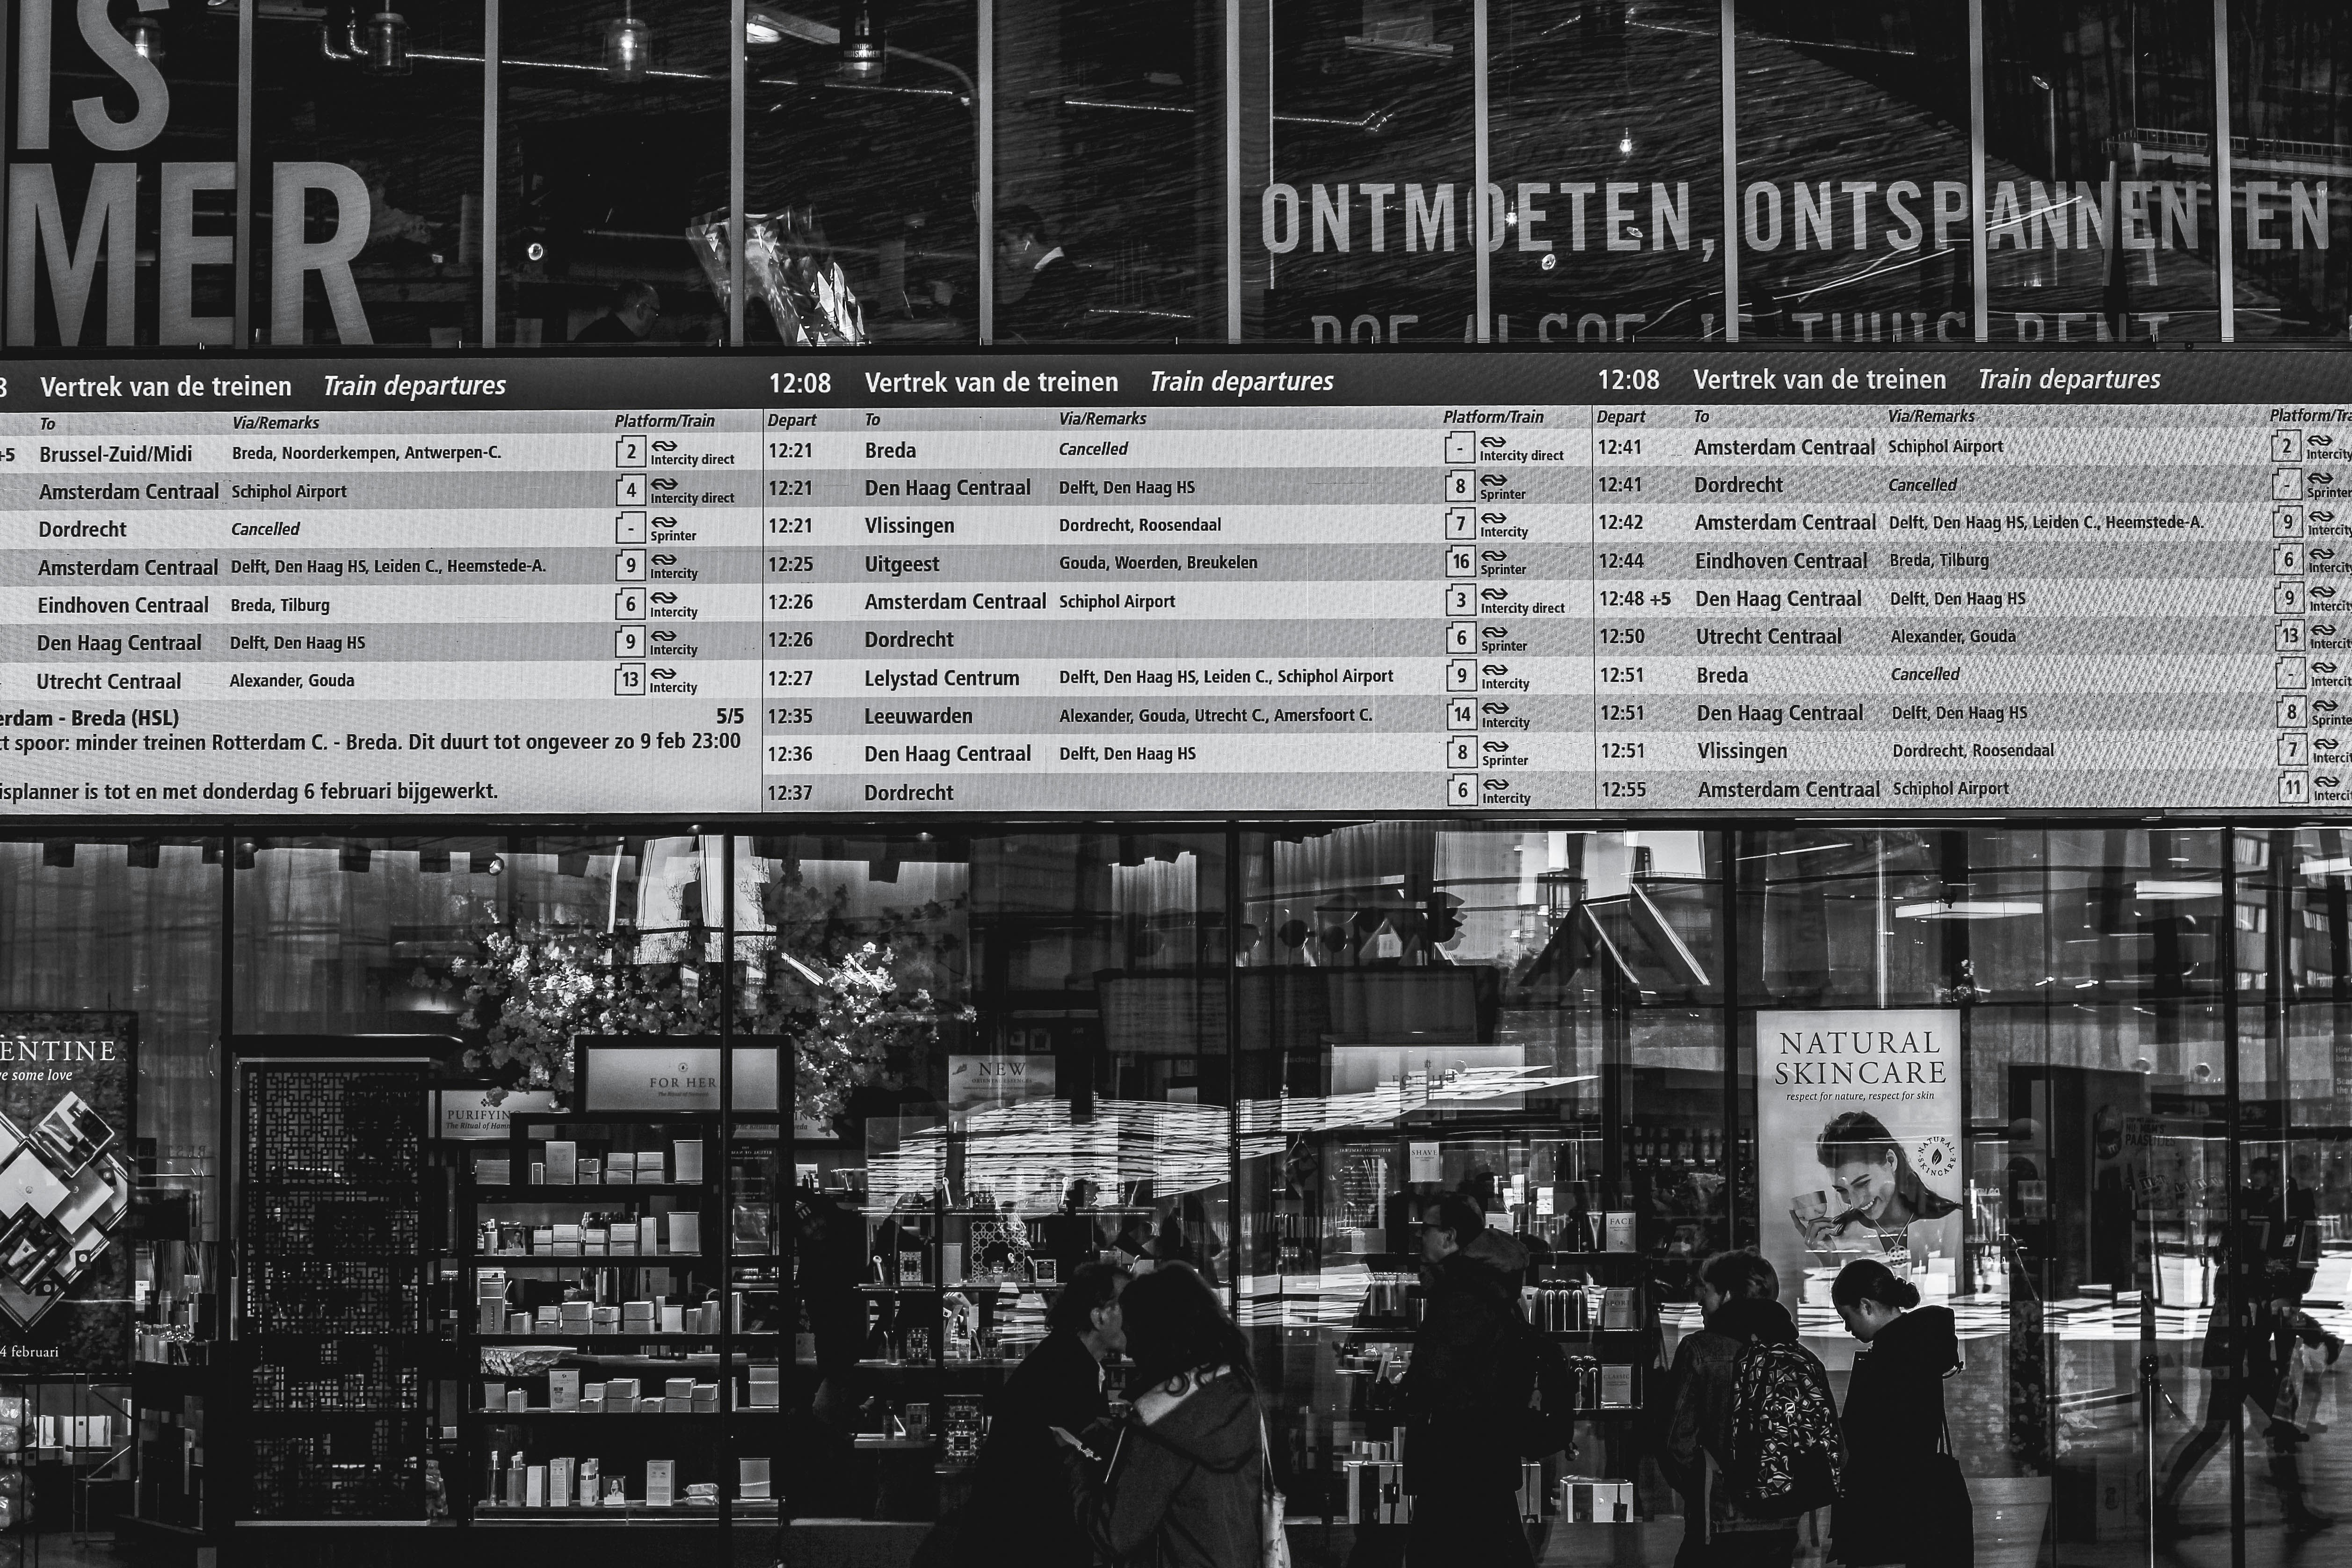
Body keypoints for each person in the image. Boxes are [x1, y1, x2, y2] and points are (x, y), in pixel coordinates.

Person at [1060, 1263, 1264, 1568]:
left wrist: (1077, 1460)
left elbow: (1116, 1534)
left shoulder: (1160, 1424)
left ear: (1155, 1337)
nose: (1130, 1350)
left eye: (1133, 1334)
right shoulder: (1235, 1394)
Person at [954, 1263, 1128, 1568]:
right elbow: (1073, 1469)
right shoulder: (1067, 1372)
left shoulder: (1067, 1358)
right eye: (1129, 1305)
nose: (1139, 1316)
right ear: (1099, 1317)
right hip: (1021, 1544)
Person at [1401, 1191, 1535, 1568]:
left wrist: (1406, 1394)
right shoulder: (1487, 1284)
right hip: (1484, 1453)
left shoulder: (1464, 1295)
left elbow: (1436, 1372)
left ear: (1449, 1237)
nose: (1420, 1236)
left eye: (1426, 1228)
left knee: (1448, 1549)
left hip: (1459, 1458)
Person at [1662, 1250, 1808, 1568]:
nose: (1700, 1301)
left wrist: (1704, 1489)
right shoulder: (1799, 1356)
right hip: (1783, 1519)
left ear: (1728, 1296)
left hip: (1720, 1521)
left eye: (1707, 1290)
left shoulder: (1699, 1350)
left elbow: (1676, 1443)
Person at [1829, 1260, 1964, 1568]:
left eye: (1847, 1317)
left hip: (1885, 1512)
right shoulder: (1918, 1345)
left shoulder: (1894, 1356)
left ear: (1866, 1306)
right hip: (1912, 1509)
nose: (1848, 1328)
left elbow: (1880, 1439)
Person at [1800, 1112, 1961, 1267]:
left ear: (1891, 1162)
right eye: (1842, 1190)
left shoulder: (1950, 1222)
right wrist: (1832, 1263)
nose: (1855, 1203)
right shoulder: (1842, 1236)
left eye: (1863, 1184)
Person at [995, 205, 1093, 341]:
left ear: (1028, 238)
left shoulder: (1058, 275)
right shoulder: (1056, 272)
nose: (1001, 252)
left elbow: (1019, 319)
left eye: (1006, 243)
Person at [573, 281, 660, 343]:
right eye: (656, 313)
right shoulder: (624, 347)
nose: (657, 319)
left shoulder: (592, 335)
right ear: (641, 310)